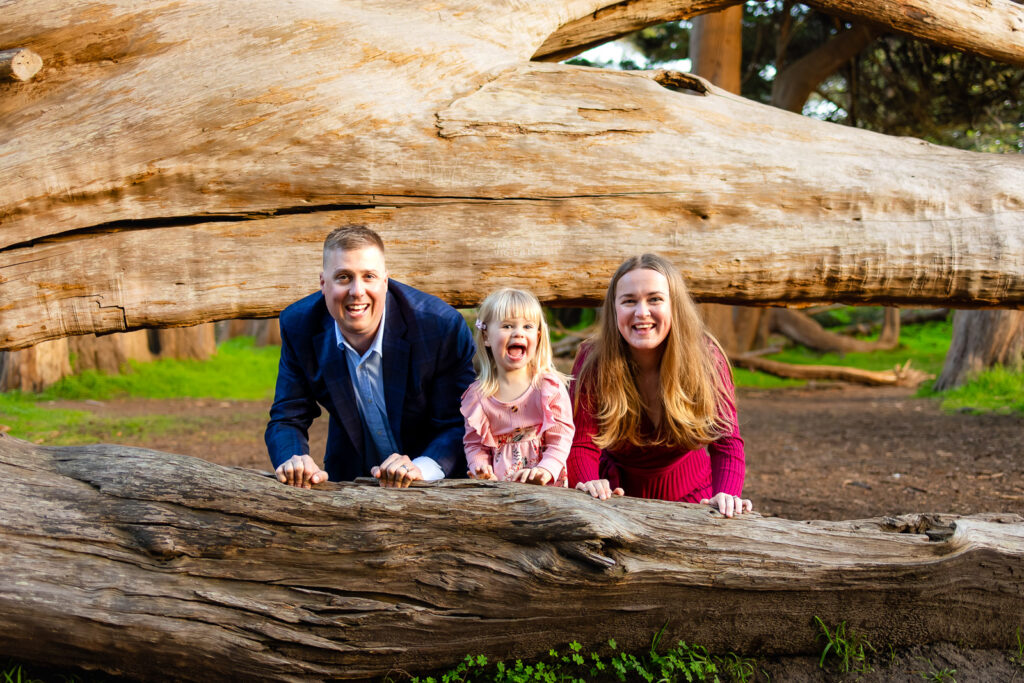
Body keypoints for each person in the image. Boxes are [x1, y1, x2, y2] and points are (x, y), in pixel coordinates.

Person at [265, 225, 476, 488]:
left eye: (369, 276)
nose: (357, 291)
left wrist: (422, 467)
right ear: (323, 283)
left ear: (385, 281)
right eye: (343, 277)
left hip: (435, 482)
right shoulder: (300, 326)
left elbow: (460, 423)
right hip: (353, 480)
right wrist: (294, 459)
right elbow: (287, 418)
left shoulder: (440, 327)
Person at [567, 253, 753, 517]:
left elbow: (727, 442)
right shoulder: (593, 359)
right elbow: (582, 443)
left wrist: (726, 494)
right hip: (613, 499)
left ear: (674, 305)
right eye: (629, 301)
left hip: (696, 500)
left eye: (654, 299)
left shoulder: (706, 357)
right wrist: (588, 486)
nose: (642, 312)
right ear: (614, 309)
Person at [461, 288, 573, 486]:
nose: (518, 333)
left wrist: (545, 469)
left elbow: (561, 437)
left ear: (538, 336)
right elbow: (474, 445)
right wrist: (480, 467)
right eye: (507, 326)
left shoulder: (548, 389)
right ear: (486, 336)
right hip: (500, 493)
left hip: (546, 491)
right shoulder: (477, 397)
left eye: (527, 326)